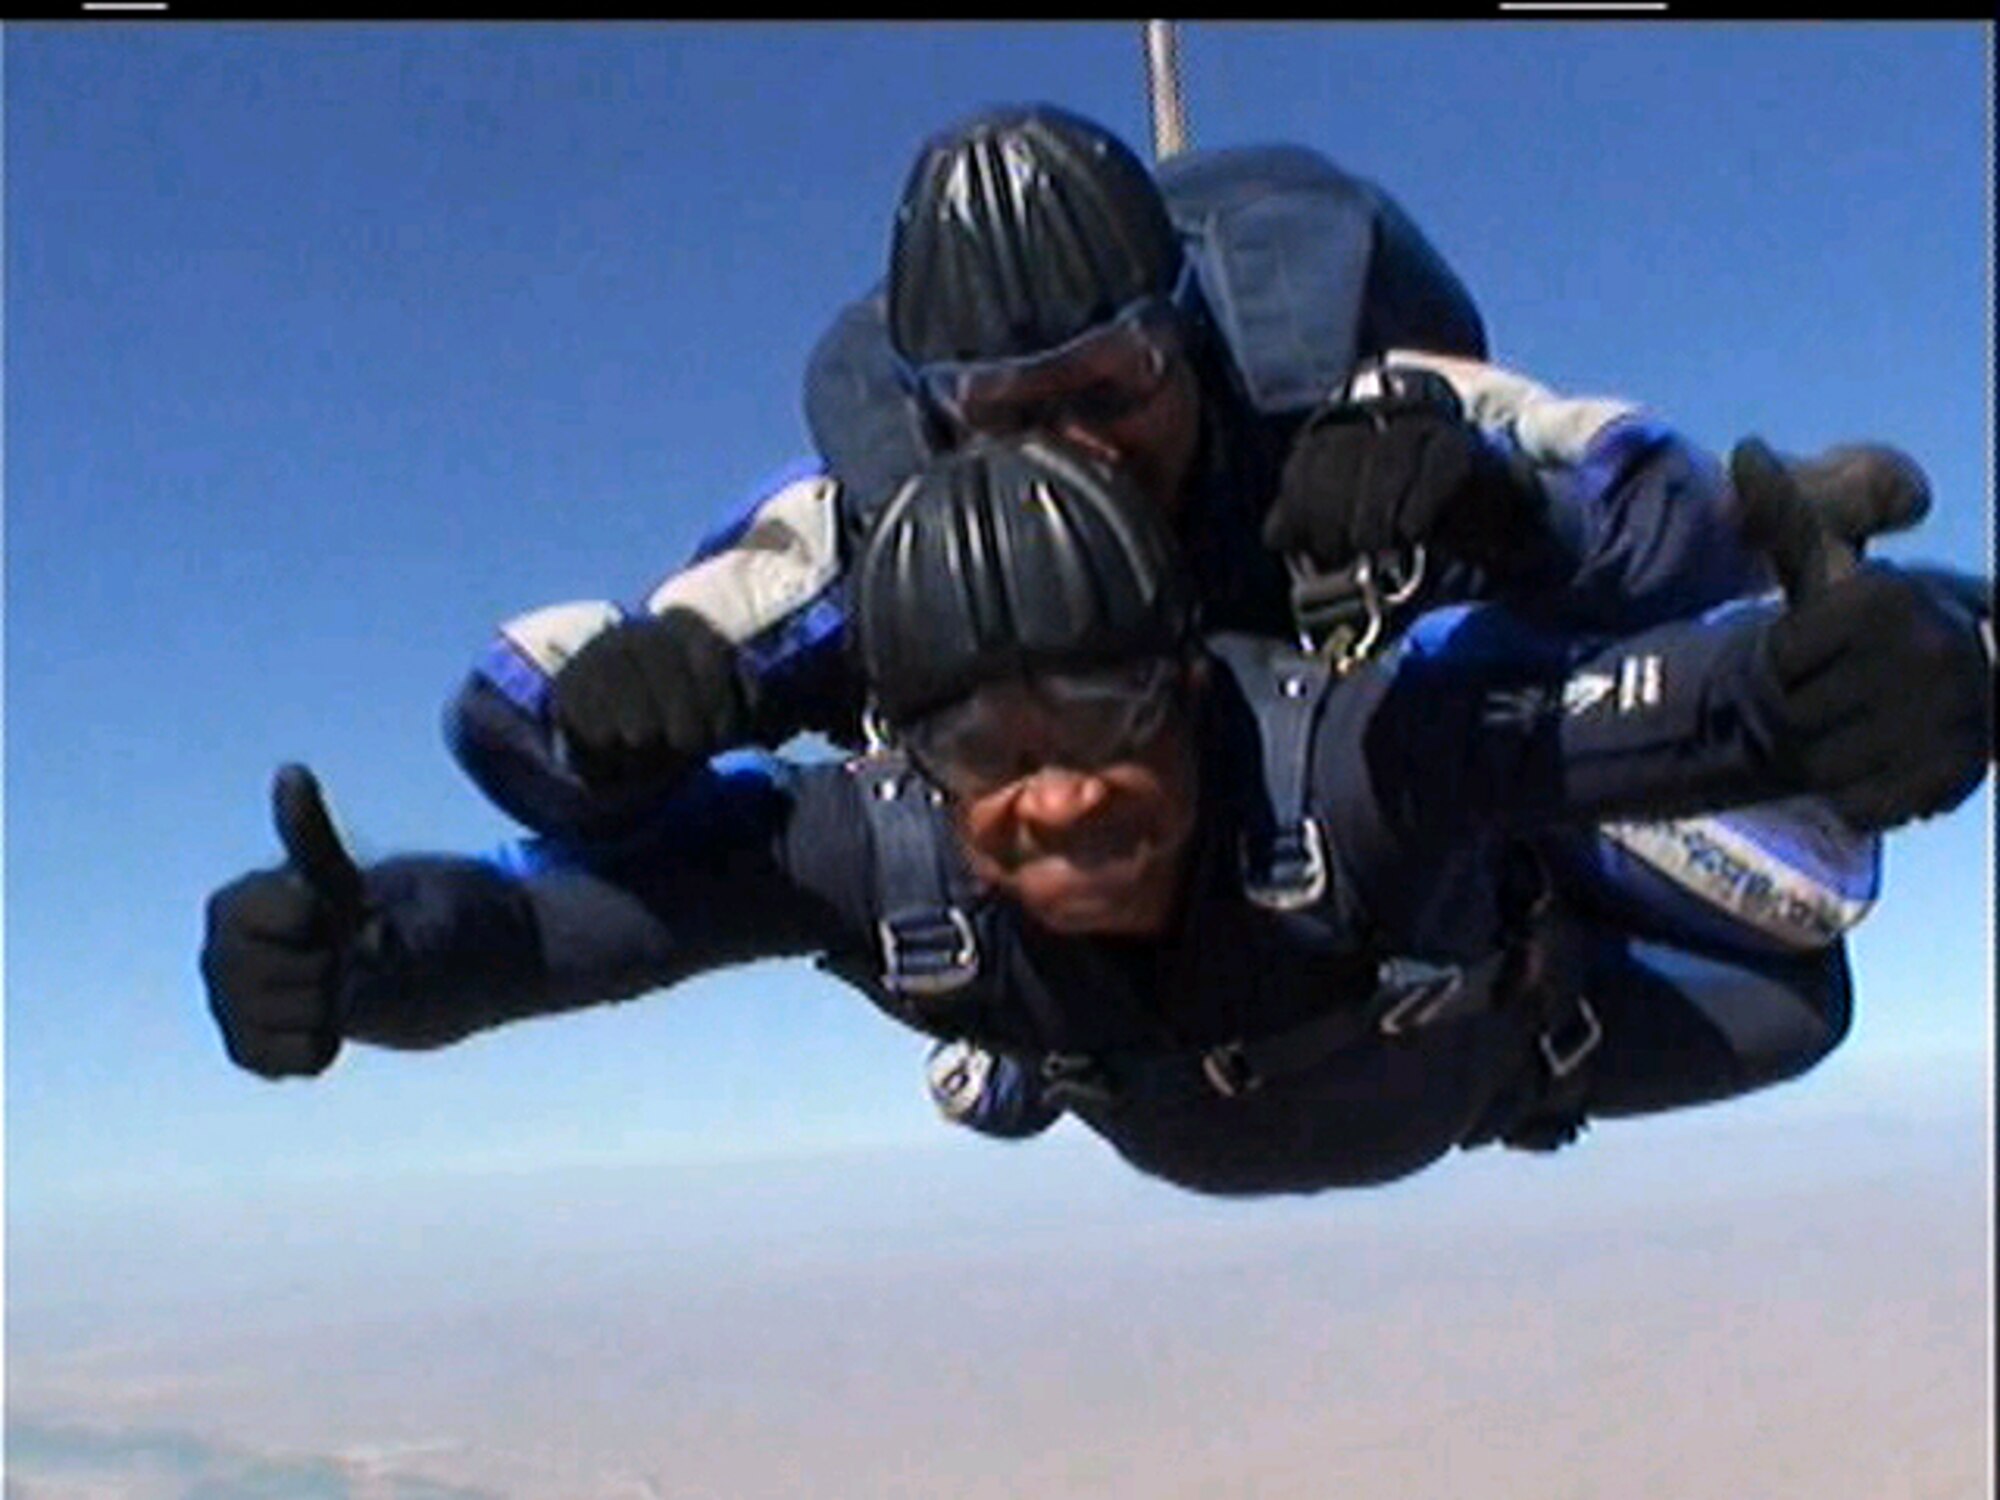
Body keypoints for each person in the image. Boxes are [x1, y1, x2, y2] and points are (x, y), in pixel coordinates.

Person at [200, 435, 1992, 1196]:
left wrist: (1906, 653)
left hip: (1476, 1028)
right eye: (983, 740)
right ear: (911, 745)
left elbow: (1684, 709)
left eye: (1111, 710)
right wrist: (363, 962)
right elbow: (551, 934)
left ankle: (1684, 645)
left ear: (1198, 682)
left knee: (1796, 985)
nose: (1054, 790)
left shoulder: (1354, 752)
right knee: (1793, 1000)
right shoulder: (871, 851)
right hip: (1369, 1073)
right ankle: (1028, 1050)